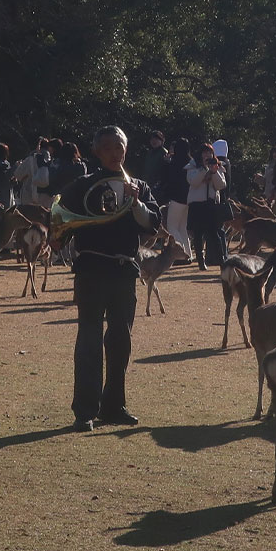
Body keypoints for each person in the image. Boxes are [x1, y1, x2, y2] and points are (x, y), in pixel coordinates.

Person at [60, 126, 161, 431]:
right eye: (107, 147)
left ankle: (114, 407)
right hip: (91, 270)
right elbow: (63, 222)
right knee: (89, 340)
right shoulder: (82, 185)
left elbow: (152, 225)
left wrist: (136, 203)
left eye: (119, 147)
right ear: (96, 152)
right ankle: (85, 411)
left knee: (121, 342)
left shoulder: (139, 186)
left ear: (126, 149)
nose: (114, 152)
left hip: (124, 271)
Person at [185, 142, 228, 270]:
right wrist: (204, 169)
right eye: (204, 152)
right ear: (200, 154)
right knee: (198, 234)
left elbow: (221, 185)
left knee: (214, 233)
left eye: (209, 152)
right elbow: (194, 182)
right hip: (197, 204)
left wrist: (214, 172)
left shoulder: (217, 166)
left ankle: (221, 260)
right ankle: (200, 261)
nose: (207, 155)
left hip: (211, 204)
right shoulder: (192, 166)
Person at [163, 138, 193, 262]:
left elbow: (169, 178)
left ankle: (180, 255)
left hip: (176, 198)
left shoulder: (174, 162)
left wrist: (166, 163)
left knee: (172, 226)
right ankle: (188, 254)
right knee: (182, 228)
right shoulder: (191, 162)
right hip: (189, 198)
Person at [13, 137, 50, 206]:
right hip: (46, 197)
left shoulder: (30, 159)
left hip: (28, 195)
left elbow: (18, 175)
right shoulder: (52, 160)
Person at [141, 130, 169, 198]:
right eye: (152, 139)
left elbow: (165, 171)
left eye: (156, 139)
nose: (154, 141)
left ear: (162, 141)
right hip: (148, 184)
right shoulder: (149, 153)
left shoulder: (164, 153)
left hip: (158, 186)